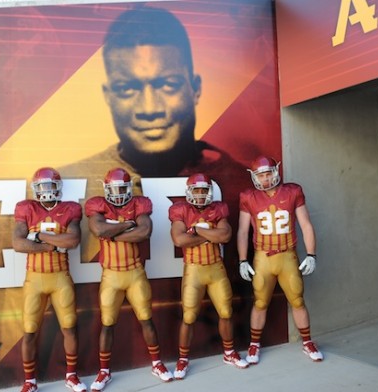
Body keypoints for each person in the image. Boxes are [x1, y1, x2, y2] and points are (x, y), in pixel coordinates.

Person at [59, 5, 249, 263]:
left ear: (195, 89)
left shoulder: (242, 184)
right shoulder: (69, 183)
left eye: (168, 85)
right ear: (109, 96)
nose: (149, 108)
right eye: (127, 88)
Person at [85, 167, 174, 391]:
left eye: (122, 188)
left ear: (129, 188)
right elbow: (98, 230)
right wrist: (126, 224)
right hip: (111, 275)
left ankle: (157, 363)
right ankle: (104, 371)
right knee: (107, 324)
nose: (117, 193)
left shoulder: (139, 204)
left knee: (146, 319)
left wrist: (112, 231)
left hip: (135, 273)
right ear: (105, 189)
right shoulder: (97, 205)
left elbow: (144, 232)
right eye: (113, 189)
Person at [237, 156, 323, 364]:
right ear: (254, 177)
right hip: (263, 257)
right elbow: (242, 231)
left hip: (287, 255)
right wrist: (242, 259)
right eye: (261, 176)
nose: (265, 180)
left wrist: (311, 254)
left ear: (275, 172)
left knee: (297, 300)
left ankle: (307, 341)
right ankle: (254, 344)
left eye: (268, 174)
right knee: (260, 302)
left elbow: (306, 225)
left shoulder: (292, 191)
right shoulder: (249, 197)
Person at [12, 167, 87, 392]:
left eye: (50, 185)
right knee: (29, 331)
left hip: (60, 277)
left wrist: (37, 236)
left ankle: (71, 376)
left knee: (70, 328)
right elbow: (18, 243)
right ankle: (30, 381)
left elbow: (73, 240)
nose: (46, 190)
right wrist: (52, 244)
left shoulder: (70, 209)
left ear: (58, 187)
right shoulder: (26, 208)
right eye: (41, 186)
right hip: (34, 279)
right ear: (35, 188)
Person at [168, 173, 249, 379]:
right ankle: (183, 358)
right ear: (189, 192)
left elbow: (225, 236)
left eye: (204, 190)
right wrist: (210, 234)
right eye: (197, 190)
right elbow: (179, 239)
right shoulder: (181, 210)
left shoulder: (218, 209)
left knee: (226, 312)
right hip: (194, 269)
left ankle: (229, 352)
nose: (201, 194)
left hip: (216, 269)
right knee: (188, 316)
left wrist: (196, 230)